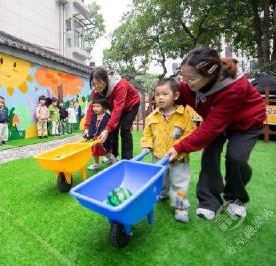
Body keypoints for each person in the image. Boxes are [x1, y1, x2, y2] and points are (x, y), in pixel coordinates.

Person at [166, 47, 266, 220]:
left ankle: (236, 199)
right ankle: (209, 202)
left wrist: (180, 146)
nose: (185, 82)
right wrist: (163, 96)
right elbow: (176, 95)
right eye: (183, 76)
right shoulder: (192, 85)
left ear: (210, 76)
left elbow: (211, 127)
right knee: (210, 154)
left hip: (246, 122)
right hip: (216, 119)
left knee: (236, 159)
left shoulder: (235, 87)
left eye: (191, 79)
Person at [141, 78, 196, 223]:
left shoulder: (184, 116)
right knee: (160, 181)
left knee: (179, 185)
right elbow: (147, 134)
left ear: (176, 96)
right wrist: (146, 145)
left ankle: (181, 207)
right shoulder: (151, 117)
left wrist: (180, 148)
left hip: (179, 159)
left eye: (165, 94)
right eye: (157, 94)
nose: (160, 98)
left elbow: (191, 135)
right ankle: (162, 194)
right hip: (158, 158)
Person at [85, 68, 140, 160]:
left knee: (125, 129)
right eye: (93, 84)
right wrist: (87, 127)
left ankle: (127, 159)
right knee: (112, 131)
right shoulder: (96, 92)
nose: (96, 86)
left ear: (106, 79)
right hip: (117, 107)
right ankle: (114, 156)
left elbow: (118, 109)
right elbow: (91, 109)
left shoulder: (120, 85)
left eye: (98, 83)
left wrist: (107, 129)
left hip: (131, 105)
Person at [85, 98, 117, 170]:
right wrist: (89, 135)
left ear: (104, 108)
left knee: (108, 153)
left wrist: (105, 136)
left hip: (104, 139)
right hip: (95, 139)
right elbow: (92, 126)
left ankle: (115, 163)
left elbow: (108, 128)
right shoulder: (93, 116)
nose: (95, 108)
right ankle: (96, 164)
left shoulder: (107, 117)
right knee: (95, 153)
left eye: (98, 106)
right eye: (94, 106)